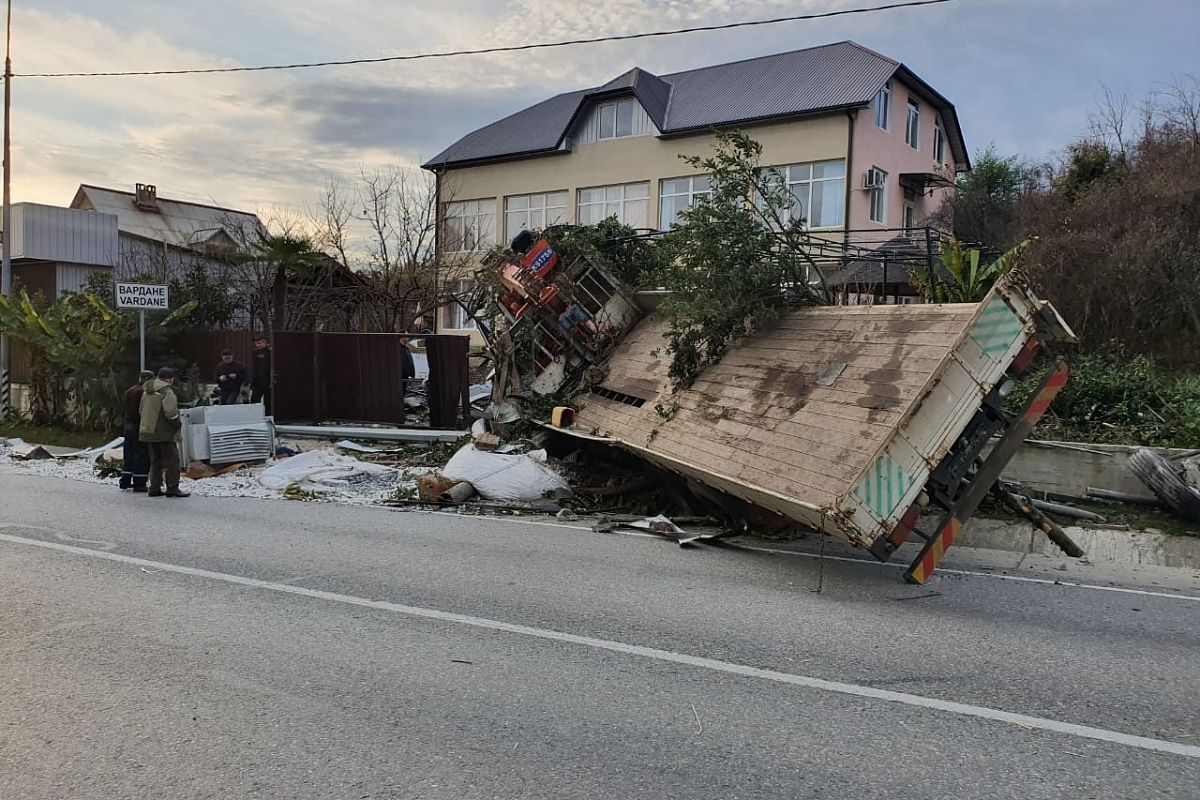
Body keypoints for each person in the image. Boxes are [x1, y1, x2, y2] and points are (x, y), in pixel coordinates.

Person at [139, 366, 189, 498]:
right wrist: (176, 423)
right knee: (172, 460)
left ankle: (154, 487)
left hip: (147, 431)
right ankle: (172, 487)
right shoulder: (167, 391)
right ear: (170, 379)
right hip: (163, 431)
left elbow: (141, 410)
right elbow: (170, 411)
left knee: (156, 460)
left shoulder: (146, 391)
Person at [118, 370, 154, 492]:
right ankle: (139, 483)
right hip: (139, 426)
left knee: (128, 454)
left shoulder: (130, 391)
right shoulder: (144, 392)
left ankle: (125, 480)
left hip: (128, 425)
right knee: (141, 455)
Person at [250, 335, 272, 412]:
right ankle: (254, 415)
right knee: (254, 400)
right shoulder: (255, 352)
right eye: (256, 343)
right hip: (257, 380)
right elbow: (255, 367)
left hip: (266, 380)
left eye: (259, 343)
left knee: (268, 401)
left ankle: (268, 415)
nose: (257, 345)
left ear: (265, 343)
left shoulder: (269, 352)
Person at [399, 334, 416, 402]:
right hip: (401, 376)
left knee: (403, 393)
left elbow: (409, 362)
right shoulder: (399, 349)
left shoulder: (406, 348)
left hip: (406, 376)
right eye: (406, 335)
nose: (408, 337)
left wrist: (412, 374)